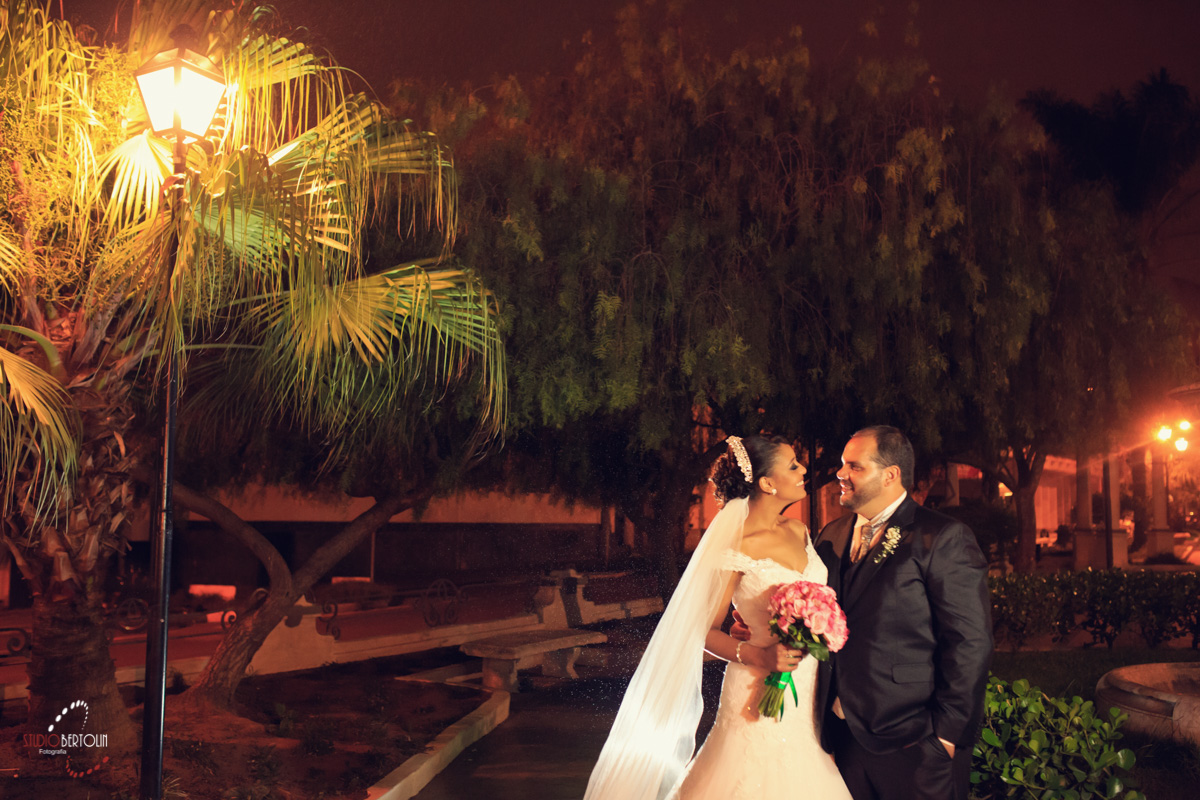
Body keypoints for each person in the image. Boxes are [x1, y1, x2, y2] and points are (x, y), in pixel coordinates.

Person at [584, 435, 851, 800]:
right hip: (756, 685)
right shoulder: (737, 544)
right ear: (767, 483)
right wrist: (759, 655)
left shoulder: (798, 531)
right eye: (792, 465)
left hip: (807, 690)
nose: (803, 469)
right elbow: (701, 631)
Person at [811, 425, 992, 800]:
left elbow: (969, 642)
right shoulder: (830, 535)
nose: (840, 473)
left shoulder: (942, 537)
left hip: (914, 740)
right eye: (842, 464)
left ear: (890, 474)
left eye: (854, 466)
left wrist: (945, 737)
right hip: (840, 737)